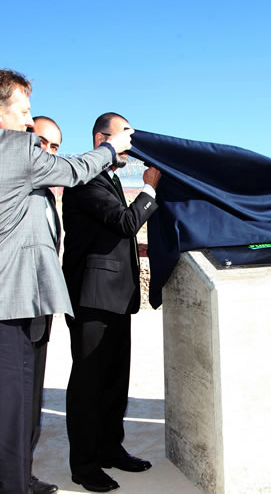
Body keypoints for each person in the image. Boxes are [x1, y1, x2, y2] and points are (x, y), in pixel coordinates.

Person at [0, 69, 133, 494]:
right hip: (15, 299)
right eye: (24, 112)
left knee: (25, 403)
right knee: (14, 404)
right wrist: (113, 150)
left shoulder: (30, 180)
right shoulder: (17, 151)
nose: (28, 123)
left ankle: (19, 476)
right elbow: (78, 175)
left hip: (33, 301)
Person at [62, 113, 162, 492]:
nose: (131, 148)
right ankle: (83, 465)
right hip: (92, 300)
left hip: (118, 299)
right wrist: (150, 188)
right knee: (88, 384)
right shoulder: (84, 176)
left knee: (114, 382)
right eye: (125, 138)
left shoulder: (110, 179)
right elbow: (123, 221)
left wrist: (139, 249)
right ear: (102, 138)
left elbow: (109, 233)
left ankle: (109, 450)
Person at [29, 116, 64, 494]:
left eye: (55, 147)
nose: (48, 152)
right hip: (15, 308)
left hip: (40, 309)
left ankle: (21, 471)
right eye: (42, 143)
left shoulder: (45, 196)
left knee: (31, 394)